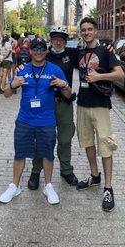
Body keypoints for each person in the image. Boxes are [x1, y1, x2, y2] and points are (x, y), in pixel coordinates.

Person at [0, 38, 71, 205]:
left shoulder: (55, 70)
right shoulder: (22, 70)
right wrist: (13, 85)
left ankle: (48, 186)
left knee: (47, 154)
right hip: (25, 120)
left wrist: (64, 85)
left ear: (46, 51)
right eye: (35, 49)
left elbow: (68, 95)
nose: (38, 52)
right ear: (30, 51)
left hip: (47, 121)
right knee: (20, 153)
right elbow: (6, 94)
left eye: (42, 49)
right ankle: (14, 186)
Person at [76, 17, 124, 212]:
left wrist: (99, 76)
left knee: (105, 146)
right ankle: (95, 177)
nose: (86, 32)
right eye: (84, 30)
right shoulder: (79, 52)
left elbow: (120, 74)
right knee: (87, 142)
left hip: (101, 105)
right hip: (82, 104)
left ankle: (108, 187)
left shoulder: (106, 51)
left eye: (90, 29)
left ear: (96, 31)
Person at [27, 27, 79, 190]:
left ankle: (66, 170)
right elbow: (28, 66)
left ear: (65, 41)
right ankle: (36, 171)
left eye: (62, 39)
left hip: (64, 102)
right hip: (45, 104)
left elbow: (92, 55)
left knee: (65, 139)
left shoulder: (72, 53)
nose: (58, 42)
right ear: (50, 40)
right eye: (55, 38)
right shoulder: (43, 54)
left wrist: (108, 49)